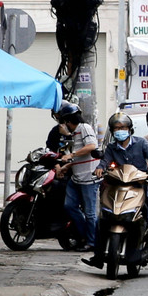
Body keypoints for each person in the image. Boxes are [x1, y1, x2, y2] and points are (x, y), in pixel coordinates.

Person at [82, 113, 148, 269]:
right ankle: (98, 256)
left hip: (141, 188)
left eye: (122, 127)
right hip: (117, 189)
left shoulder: (141, 143)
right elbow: (103, 162)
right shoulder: (111, 147)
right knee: (100, 221)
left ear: (130, 129)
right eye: (116, 128)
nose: (119, 131)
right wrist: (100, 169)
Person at [56, 101, 100, 252]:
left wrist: (71, 155)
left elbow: (92, 146)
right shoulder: (74, 134)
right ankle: (83, 236)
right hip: (76, 177)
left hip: (89, 178)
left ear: (69, 120)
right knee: (69, 206)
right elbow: (78, 157)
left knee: (90, 212)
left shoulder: (85, 128)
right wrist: (67, 166)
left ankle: (92, 242)